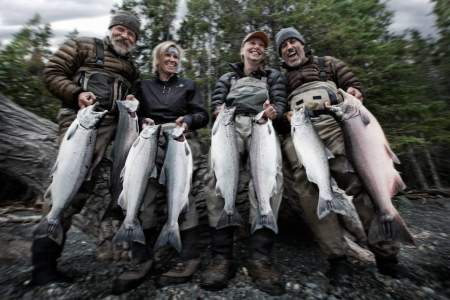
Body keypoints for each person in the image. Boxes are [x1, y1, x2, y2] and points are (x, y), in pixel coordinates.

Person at [275, 26, 403, 282]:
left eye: (293, 42)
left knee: (361, 181)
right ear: (281, 55)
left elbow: (352, 86)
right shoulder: (278, 79)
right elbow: (277, 113)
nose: (290, 47)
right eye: (284, 46)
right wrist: (282, 117)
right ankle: (337, 260)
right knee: (310, 192)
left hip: (338, 125)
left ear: (302, 44)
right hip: (299, 132)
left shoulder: (328, 63)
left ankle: (387, 254)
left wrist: (355, 91)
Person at [31, 11, 141, 286]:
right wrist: (76, 93)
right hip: (80, 124)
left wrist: (132, 99)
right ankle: (43, 265)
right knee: (68, 188)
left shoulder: (131, 67)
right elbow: (52, 72)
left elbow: (136, 95)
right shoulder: (83, 45)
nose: (125, 35)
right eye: (121, 29)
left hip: (113, 131)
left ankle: (121, 244)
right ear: (111, 28)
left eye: (131, 33)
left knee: (112, 185)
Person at [112, 41, 209, 294]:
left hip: (180, 140)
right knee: (143, 195)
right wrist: (137, 111)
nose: (173, 59)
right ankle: (142, 260)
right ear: (158, 59)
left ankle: (189, 257)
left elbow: (202, 115)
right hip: (149, 141)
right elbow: (135, 112)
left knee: (181, 194)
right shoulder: (143, 86)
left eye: (177, 56)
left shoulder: (188, 85)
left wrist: (187, 120)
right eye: (169, 55)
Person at [200, 31, 287, 296]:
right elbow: (216, 101)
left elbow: (280, 101)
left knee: (272, 180)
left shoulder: (272, 77)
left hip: (263, 127)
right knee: (216, 178)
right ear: (242, 49)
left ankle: (260, 257)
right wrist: (218, 110)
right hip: (230, 125)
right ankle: (221, 257)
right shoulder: (228, 78)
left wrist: (276, 111)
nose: (257, 47)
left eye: (261, 45)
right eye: (252, 43)